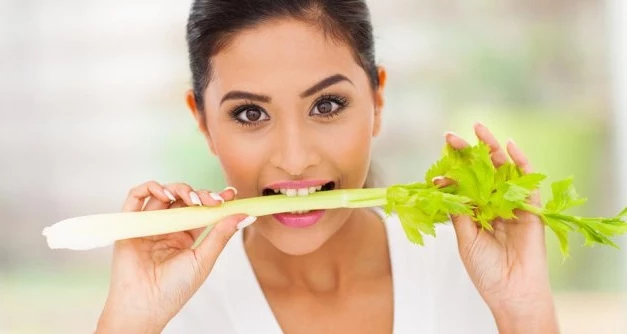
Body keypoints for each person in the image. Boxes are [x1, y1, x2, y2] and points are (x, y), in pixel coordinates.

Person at [94, 1, 560, 333]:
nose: (295, 160)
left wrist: (523, 310)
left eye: (327, 104)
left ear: (377, 101)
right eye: (250, 114)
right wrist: (130, 321)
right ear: (203, 122)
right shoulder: (172, 312)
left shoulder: (466, 271)